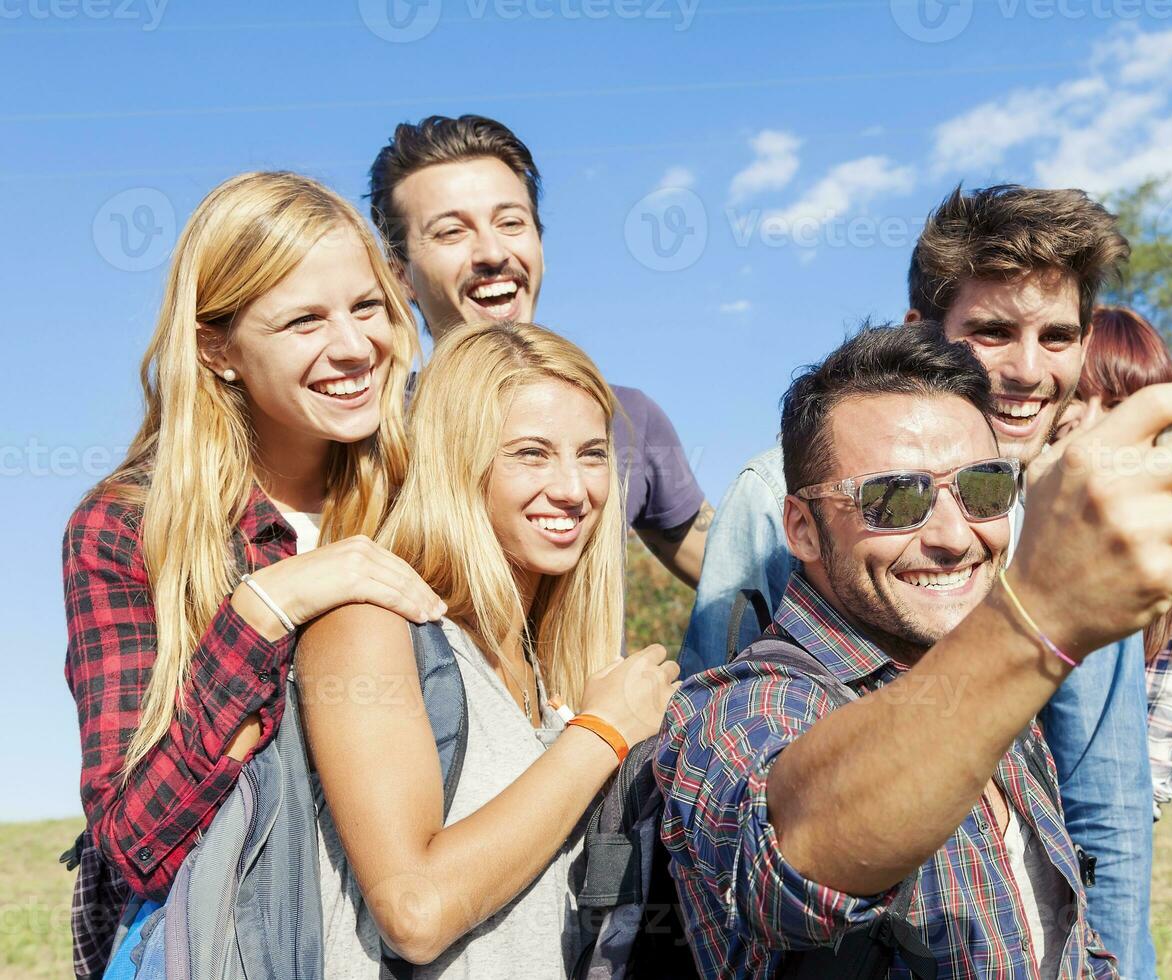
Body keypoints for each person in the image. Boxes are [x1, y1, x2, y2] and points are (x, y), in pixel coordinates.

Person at [655, 323, 1172, 978]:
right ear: (801, 530)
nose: (956, 537)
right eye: (896, 498)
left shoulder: (989, 694)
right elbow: (790, 851)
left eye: (984, 488)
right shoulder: (729, 709)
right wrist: (1036, 613)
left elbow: (1059, 935)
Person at [679, 184, 1160, 974]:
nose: (1027, 369)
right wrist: (1036, 618)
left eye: (1058, 335)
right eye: (892, 498)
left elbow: (1102, 809)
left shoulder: (1072, 512)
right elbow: (738, 807)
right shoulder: (774, 501)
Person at [62, 172, 443, 979]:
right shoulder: (127, 529)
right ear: (217, 348)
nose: (353, 346)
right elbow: (134, 846)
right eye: (304, 319)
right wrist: (269, 605)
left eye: (367, 306)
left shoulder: (430, 495)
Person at [297, 321, 681, 975]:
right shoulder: (369, 629)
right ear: (457, 461)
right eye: (531, 453)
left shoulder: (546, 677)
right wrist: (601, 734)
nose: (573, 488)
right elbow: (415, 911)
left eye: (591, 454)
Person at [366, 114, 713, 585]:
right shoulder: (369, 431)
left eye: (511, 222)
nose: (491, 252)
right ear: (400, 275)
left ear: (540, 244)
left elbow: (739, 577)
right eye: (451, 232)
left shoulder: (628, 417)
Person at [1055, 307, 1172, 820]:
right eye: (1076, 396)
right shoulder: (979, 530)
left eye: (1122, 405)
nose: (1096, 425)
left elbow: (1149, 778)